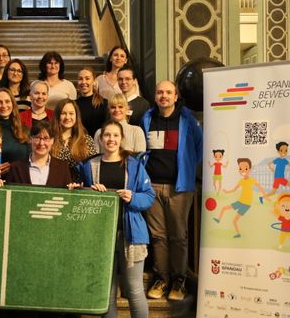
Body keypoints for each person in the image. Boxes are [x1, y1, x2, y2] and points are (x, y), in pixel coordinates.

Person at [79, 120, 155, 318]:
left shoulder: (134, 165)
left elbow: (149, 196)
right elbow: (81, 199)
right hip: (101, 236)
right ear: (101, 139)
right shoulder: (90, 166)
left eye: (115, 135)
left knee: (134, 289)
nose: (111, 139)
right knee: (108, 291)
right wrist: (90, 192)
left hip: (131, 234)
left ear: (121, 139)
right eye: (107, 135)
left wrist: (133, 198)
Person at [141, 80, 202, 301]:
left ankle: (179, 281)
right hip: (152, 187)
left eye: (168, 92)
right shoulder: (147, 118)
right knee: (158, 236)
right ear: (155, 96)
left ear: (176, 96)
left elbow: (199, 148)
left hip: (180, 187)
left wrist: (186, 169)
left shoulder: (188, 120)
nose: (163, 95)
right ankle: (162, 278)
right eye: (159, 92)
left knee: (178, 236)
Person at [213, 158, 269, 237]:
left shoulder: (252, 180)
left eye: (245, 168)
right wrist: (227, 191)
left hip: (246, 204)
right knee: (224, 208)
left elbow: (261, 188)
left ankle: (239, 233)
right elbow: (234, 189)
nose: (243, 170)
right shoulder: (241, 181)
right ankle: (218, 220)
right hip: (240, 202)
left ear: (250, 169)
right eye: (240, 168)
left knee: (234, 221)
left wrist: (265, 197)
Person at [0, 88, 30, 176]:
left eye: (7, 101)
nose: (4, 105)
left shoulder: (25, 130)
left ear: (13, 104)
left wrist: (12, 166)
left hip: (23, 182)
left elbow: (32, 161)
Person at [51, 99, 97, 182]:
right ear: (58, 115)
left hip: (78, 188)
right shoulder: (50, 139)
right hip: (55, 187)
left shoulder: (86, 140)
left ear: (76, 115)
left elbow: (93, 168)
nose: (67, 117)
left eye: (71, 113)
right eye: (63, 113)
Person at [76, 67, 108, 137]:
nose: (83, 82)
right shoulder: (74, 104)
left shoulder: (104, 103)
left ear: (94, 81)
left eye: (87, 78)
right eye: (80, 79)